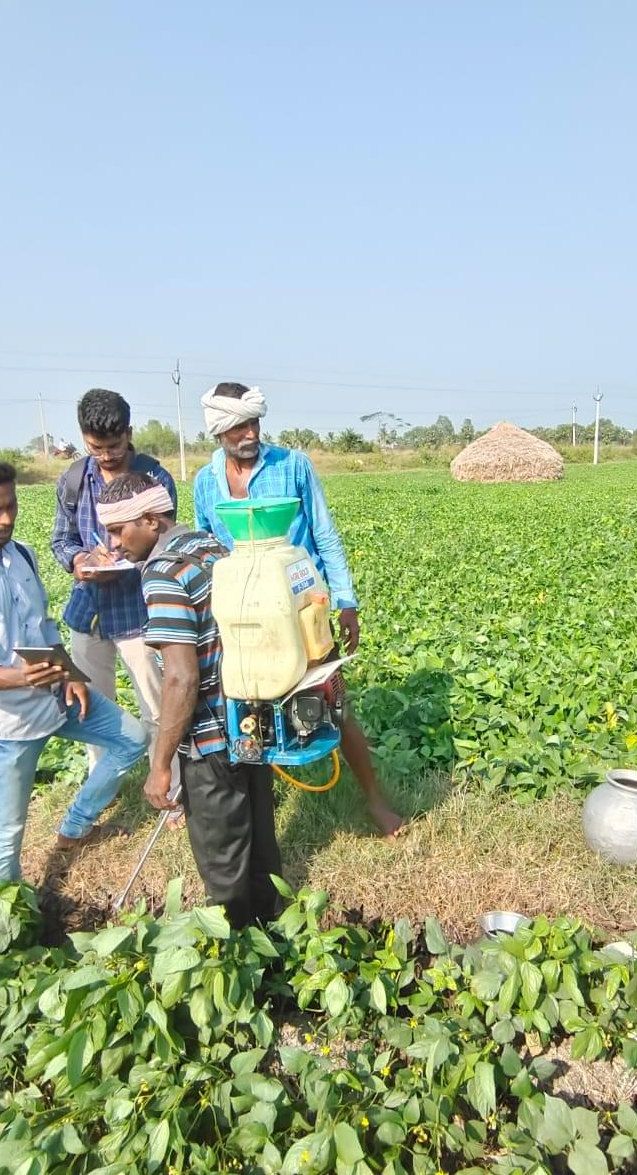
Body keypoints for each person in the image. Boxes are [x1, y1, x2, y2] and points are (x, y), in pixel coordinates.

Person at [191, 381, 406, 837]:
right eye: (238, 428)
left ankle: (375, 801)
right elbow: (207, 550)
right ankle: (259, 814)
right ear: (218, 432)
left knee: (336, 701)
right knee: (249, 708)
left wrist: (346, 602)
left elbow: (325, 535)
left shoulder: (293, 466)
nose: (249, 434)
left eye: (254, 424)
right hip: (246, 619)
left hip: (304, 610)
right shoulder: (206, 483)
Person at [0, 457, 149, 882]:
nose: (5, 518)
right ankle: (7, 914)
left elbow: (42, 626)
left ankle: (75, 827)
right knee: (6, 834)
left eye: (11, 505)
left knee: (132, 738)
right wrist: (22, 677)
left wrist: (69, 674)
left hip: (55, 695)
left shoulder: (20, 553)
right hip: (6, 725)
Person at [101, 470, 283, 928]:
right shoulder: (210, 546)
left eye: (119, 530)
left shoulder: (163, 573)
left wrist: (161, 765)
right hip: (251, 719)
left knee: (224, 866)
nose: (114, 544)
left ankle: (240, 951)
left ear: (150, 519)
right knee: (261, 842)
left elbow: (182, 678)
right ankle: (276, 937)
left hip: (209, 739)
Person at [50, 388, 182, 823]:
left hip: (139, 611)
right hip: (89, 611)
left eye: (114, 446)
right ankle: (102, 789)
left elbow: (162, 540)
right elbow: (61, 541)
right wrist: (80, 560)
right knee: (93, 708)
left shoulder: (154, 479)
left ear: (129, 434)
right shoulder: (73, 481)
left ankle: (171, 790)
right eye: (96, 447)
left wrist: (125, 562)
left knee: (157, 705)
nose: (106, 455)